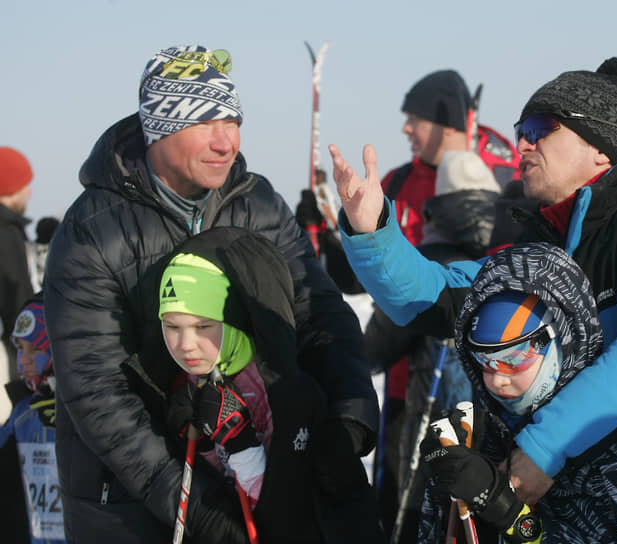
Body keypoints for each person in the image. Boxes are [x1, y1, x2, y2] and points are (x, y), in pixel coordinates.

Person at [329, 56, 617, 541]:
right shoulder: (549, 245)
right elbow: (435, 298)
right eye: (522, 128)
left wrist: (542, 448)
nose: (521, 144)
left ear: (600, 147)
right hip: (575, 517)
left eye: (539, 129)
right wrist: (372, 233)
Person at [43, 45, 379, 543]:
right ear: (159, 128)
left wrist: (348, 420)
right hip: (132, 501)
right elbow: (95, 388)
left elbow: (318, 314)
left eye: (233, 120)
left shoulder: (258, 204)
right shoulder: (92, 231)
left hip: (262, 469)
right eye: (203, 122)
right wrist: (193, 504)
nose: (227, 141)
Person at [420, 242, 617, 543]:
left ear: (562, 338)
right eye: (483, 361)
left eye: (513, 359)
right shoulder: (486, 431)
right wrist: (447, 492)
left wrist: (512, 516)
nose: (497, 380)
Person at [160, 227, 384, 542]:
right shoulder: (190, 379)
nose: (185, 344)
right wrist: (203, 445)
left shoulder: (275, 387)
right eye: (171, 326)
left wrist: (241, 443)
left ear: (234, 319)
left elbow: (281, 509)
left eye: (203, 326)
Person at [364, 150, 501, 539]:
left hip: (419, 414)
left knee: (412, 517)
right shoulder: (512, 258)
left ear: (439, 206)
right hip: (494, 428)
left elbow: (374, 347)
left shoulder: (424, 265)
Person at [0, 294, 65, 543]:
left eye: (36, 348)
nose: (24, 359)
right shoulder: (23, 412)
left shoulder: (85, 409)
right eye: (19, 348)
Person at [0, 147, 35, 385]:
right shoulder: (5, 232)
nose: (30, 192)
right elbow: (18, 296)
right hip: (6, 356)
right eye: (26, 184)